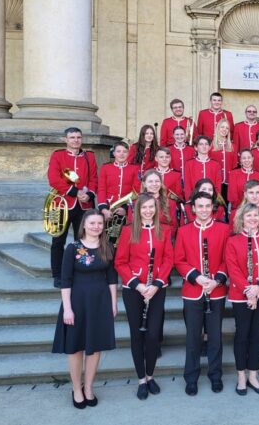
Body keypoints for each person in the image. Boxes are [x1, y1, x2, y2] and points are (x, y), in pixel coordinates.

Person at [52, 210, 117, 409]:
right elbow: (66, 280)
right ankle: (76, 388)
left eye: (99, 223)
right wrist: (68, 309)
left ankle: (88, 387)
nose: (96, 226)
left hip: (100, 303)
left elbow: (112, 278)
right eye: (92, 223)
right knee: (75, 348)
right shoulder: (73, 248)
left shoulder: (107, 246)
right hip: (77, 303)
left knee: (95, 347)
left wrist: (113, 304)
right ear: (84, 225)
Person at [114, 193, 174, 399]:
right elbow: (120, 262)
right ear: (137, 210)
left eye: (151, 207)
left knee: (152, 334)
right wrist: (138, 286)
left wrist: (156, 284)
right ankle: (141, 379)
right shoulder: (128, 231)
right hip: (134, 290)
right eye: (144, 208)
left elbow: (168, 259)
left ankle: (150, 375)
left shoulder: (164, 230)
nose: (148, 211)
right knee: (137, 335)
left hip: (157, 289)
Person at [174, 191, 230, 395]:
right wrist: (196, 277)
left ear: (213, 208)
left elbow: (228, 259)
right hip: (193, 290)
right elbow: (179, 260)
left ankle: (216, 376)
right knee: (193, 338)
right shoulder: (183, 231)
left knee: (215, 337)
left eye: (208, 206)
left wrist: (217, 280)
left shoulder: (224, 229)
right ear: (193, 209)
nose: (204, 210)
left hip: (216, 290)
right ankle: (191, 378)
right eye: (200, 206)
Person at [225, 204, 259, 395]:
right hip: (241, 296)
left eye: (256, 215)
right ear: (241, 218)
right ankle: (241, 376)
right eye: (248, 215)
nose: (253, 218)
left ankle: (253, 376)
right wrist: (249, 291)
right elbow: (233, 269)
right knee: (242, 335)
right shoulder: (233, 241)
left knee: (256, 335)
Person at [48, 127, 99, 288]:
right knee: (58, 241)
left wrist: (89, 195)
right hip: (63, 204)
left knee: (83, 240)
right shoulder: (58, 155)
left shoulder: (89, 156)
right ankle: (57, 274)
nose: (75, 140)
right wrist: (76, 192)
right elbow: (54, 179)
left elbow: (94, 179)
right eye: (72, 137)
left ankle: (81, 271)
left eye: (78, 137)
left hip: (84, 206)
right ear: (66, 139)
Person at [97, 142, 138, 239]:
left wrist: (126, 209)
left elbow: (136, 191)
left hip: (126, 210)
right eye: (118, 151)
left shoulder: (135, 168)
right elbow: (101, 189)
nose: (122, 154)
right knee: (107, 240)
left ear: (128, 154)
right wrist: (104, 209)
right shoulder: (105, 168)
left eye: (125, 151)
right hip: (108, 209)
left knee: (124, 240)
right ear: (114, 153)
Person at [184, 135, 222, 200]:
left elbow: (218, 185)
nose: (204, 146)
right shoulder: (189, 164)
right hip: (194, 199)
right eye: (201, 144)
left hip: (211, 199)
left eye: (206, 144)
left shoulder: (216, 164)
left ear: (210, 147)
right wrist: (190, 200)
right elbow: (187, 185)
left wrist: (215, 199)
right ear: (196, 147)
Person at [210, 118, 236, 201]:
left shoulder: (233, 146)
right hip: (215, 182)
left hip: (229, 182)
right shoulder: (211, 145)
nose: (224, 129)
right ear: (218, 128)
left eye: (227, 128)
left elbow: (235, 165)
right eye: (222, 127)